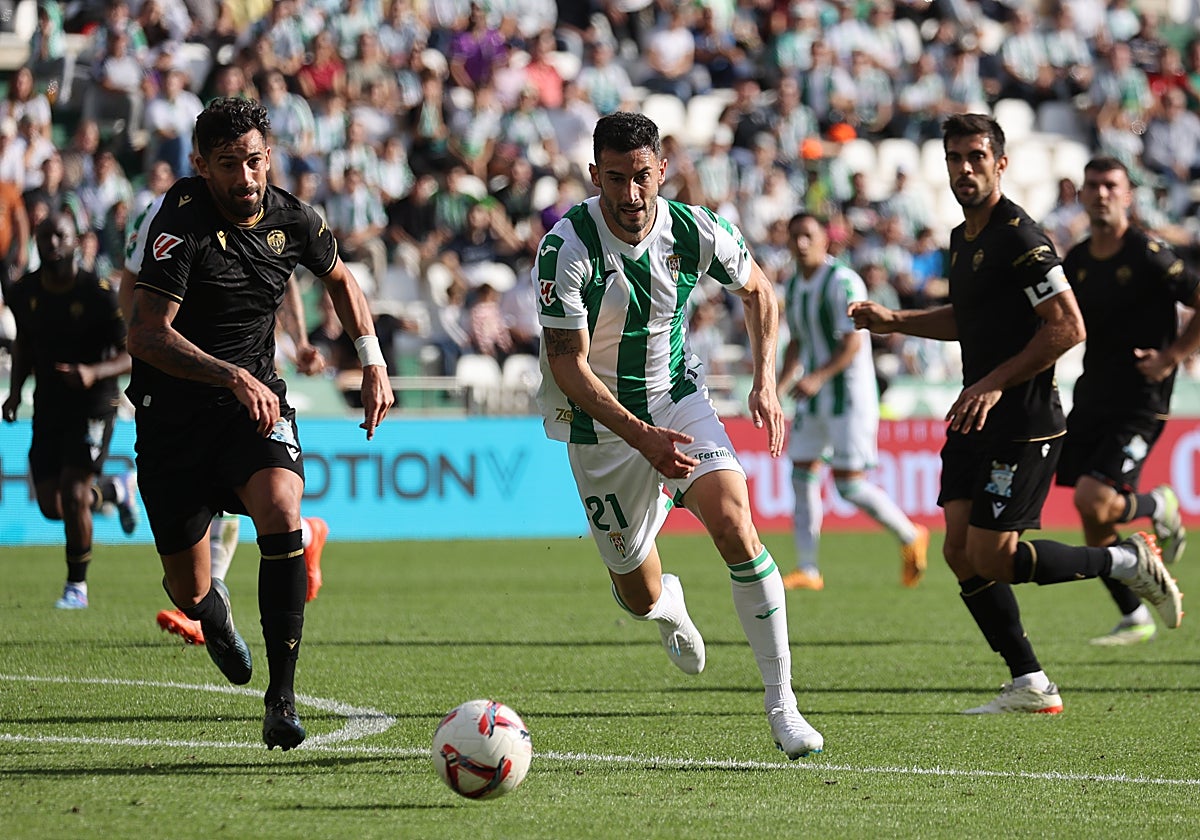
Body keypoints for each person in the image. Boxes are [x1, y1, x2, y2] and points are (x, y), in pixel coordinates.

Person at [848, 113, 1183, 715]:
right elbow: (967, 319)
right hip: (975, 414)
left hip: (1023, 419)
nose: (965, 169)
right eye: (954, 158)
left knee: (995, 556)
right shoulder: (962, 238)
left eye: (976, 157)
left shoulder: (1021, 238)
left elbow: (1067, 325)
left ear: (1001, 163)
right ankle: (1029, 680)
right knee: (957, 551)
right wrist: (896, 321)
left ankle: (1125, 559)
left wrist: (996, 382)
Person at [533, 112, 822, 758]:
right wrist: (641, 439)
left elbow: (760, 292)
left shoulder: (694, 230)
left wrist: (765, 380)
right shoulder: (566, 247)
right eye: (615, 179)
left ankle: (783, 708)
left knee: (735, 523)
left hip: (676, 398)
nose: (631, 196)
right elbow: (567, 367)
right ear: (593, 176)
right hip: (600, 423)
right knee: (637, 593)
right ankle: (668, 606)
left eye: (642, 177)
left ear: (663, 169)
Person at [124, 97, 394, 750]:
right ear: (199, 165)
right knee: (188, 589)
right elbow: (145, 335)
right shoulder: (178, 223)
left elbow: (340, 280)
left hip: (254, 407)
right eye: (228, 165)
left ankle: (282, 698)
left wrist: (372, 358)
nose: (245, 178)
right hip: (173, 421)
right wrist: (227, 372)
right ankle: (211, 616)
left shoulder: (293, 217)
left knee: (279, 506)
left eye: (254, 162)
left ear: (268, 158)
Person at [117, 191, 332, 646]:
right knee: (191, 546)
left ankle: (215, 596)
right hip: (182, 387)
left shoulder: (264, 211)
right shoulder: (161, 216)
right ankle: (210, 593)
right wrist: (150, 353)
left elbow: (283, 270)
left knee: (248, 487)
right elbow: (132, 287)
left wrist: (298, 340)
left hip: (245, 376)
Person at [1058, 156, 1199, 646]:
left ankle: (1157, 502)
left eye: (1110, 185)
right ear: (1081, 194)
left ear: (1127, 195)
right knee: (1094, 517)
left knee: (1093, 498)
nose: (1100, 193)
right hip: (1093, 392)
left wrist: (1174, 355)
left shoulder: (1150, 252)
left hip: (1141, 398)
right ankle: (1133, 613)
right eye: (1092, 185)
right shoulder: (1075, 259)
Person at [777, 212, 929, 592]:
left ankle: (911, 534)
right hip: (814, 396)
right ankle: (808, 570)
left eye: (808, 235)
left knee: (848, 485)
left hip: (849, 396)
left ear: (825, 240)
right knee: (801, 475)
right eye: (794, 236)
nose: (800, 243)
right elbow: (796, 341)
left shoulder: (843, 281)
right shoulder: (794, 285)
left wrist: (816, 377)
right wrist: (777, 386)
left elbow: (853, 342)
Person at [2, 212, 139, 609]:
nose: (51, 244)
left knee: (76, 492)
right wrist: (14, 394)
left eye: (59, 236)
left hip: (94, 404)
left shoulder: (98, 294)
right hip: (48, 404)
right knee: (52, 505)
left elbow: (131, 349)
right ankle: (115, 489)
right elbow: (23, 344)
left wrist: (94, 372)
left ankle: (76, 586)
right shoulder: (24, 292)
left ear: (75, 241)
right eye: (44, 237)